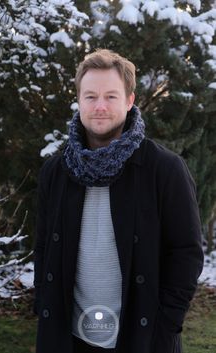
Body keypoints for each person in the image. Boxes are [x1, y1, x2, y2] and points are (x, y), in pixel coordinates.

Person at [33, 49, 204, 353]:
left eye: (111, 96)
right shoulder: (55, 171)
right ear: (78, 101)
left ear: (129, 100)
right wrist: (43, 305)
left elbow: (186, 254)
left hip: (141, 338)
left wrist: (166, 324)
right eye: (90, 96)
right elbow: (44, 246)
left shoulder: (164, 169)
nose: (99, 106)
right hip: (70, 339)